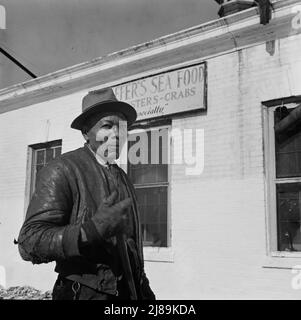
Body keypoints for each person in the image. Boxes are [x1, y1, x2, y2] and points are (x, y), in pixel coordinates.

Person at [17, 87, 156, 300]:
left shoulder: (123, 178)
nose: (117, 134)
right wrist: (89, 231)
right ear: (85, 132)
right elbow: (29, 242)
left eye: (121, 127)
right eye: (107, 126)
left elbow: (131, 248)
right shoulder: (62, 169)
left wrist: (143, 289)